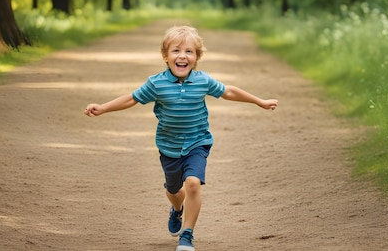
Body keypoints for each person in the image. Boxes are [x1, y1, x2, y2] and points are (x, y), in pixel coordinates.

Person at [84, 25, 278, 251]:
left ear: (197, 58)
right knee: (174, 191)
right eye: (176, 51)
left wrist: (259, 101)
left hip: (198, 142)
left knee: (193, 184)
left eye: (189, 52)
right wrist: (103, 108)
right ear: (165, 56)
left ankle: (187, 235)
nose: (182, 56)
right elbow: (132, 99)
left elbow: (228, 92)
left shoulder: (203, 81)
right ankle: (177, 209)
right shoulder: (156, 83)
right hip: (169, 146)